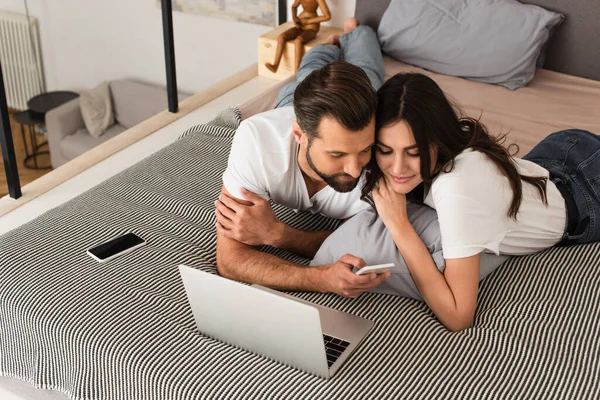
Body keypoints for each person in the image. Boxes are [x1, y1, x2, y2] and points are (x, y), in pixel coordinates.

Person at [363, 72, 600, 331]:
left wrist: (399, 225)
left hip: (587, 196)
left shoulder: (457, 187)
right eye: (385, 150)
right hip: (556, 154)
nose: (397, 168)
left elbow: (458, 317)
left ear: (438, 140)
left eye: (415, 152)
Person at [215, 18, 391, 298]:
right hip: (292, 109)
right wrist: (321, 279)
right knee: (306, 75)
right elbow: (230, 260)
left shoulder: (384, 158)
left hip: (344, 98)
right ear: (299, 135)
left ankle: (356, 32)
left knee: (368, 73)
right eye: (337, 154)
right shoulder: (257, 141)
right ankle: (328, 45)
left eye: (364, 150)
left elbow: (354, 246)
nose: (356, 169)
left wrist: (278, 234)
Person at [265, 0, 331, 73]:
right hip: (300, 24)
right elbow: (294, 6)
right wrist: (294, 17)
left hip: (312, 27)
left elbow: (327, 16)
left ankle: (296, 71)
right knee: (281, 37)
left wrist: (308, 21)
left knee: (298, 41)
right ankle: (275, 65)